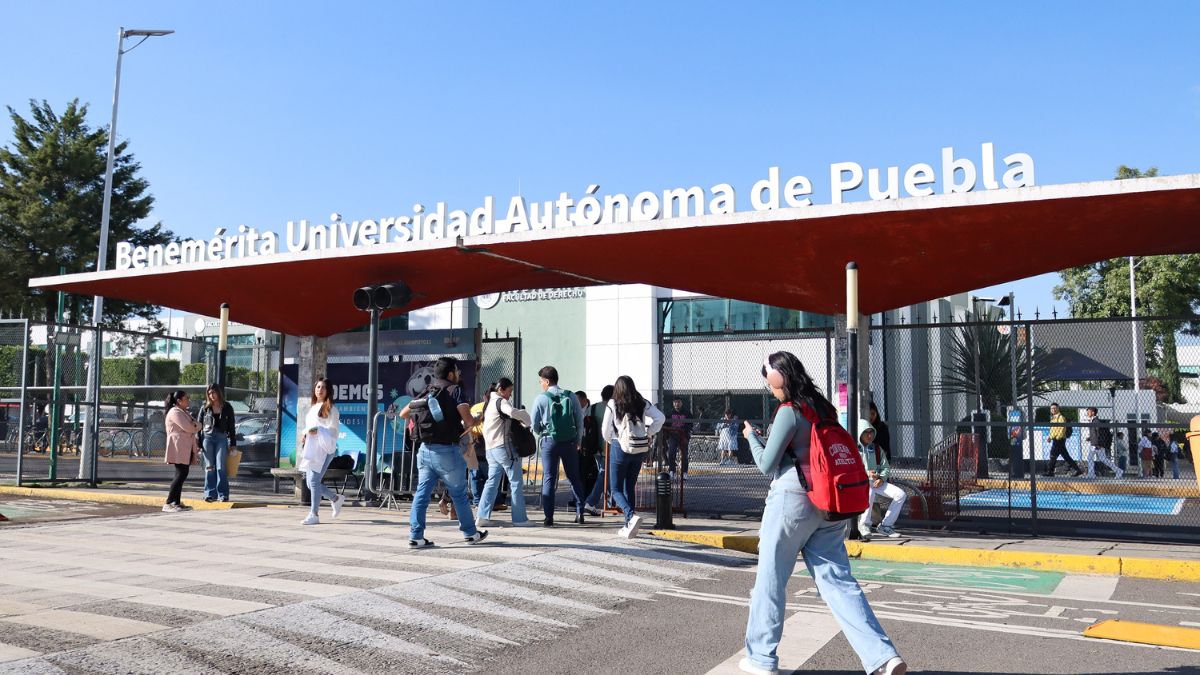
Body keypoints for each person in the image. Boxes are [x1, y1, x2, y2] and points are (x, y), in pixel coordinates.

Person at [740, 351, 904, 675]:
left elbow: (766, 464)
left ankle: (761, 659)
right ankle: (883, 657)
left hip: (792, 500)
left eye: (769, 382)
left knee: (771, 578)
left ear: (778, 377)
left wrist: (751, 438)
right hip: (829, 503)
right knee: (839, 582)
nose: (769, 388)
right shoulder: (823, 407)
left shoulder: (789, 411)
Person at [400, 356, 488, 548]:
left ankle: (416, 536)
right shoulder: (455, 390)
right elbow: (468, 421)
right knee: (459, 494)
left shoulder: (427, 390)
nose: (458, 374)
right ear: (450, 374)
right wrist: (477, 419)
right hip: (447, 451)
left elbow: (403, 413)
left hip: (425, 450)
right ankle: (470, 533)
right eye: (456, 371)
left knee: (421, 494)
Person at [601, 375, 666, 538]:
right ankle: (628, 524)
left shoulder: (613, 403)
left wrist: (610, 440)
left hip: (619, 445)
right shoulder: (641, 402)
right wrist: (649, 433)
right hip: (639, 447)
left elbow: (605, 429)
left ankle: (631, 516)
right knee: (629, 486)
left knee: (615, 489)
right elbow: (660, 418)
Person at [530, 365, 588, 527]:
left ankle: (549, 517)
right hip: (569, 442)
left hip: (549, 441)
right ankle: (580, 513)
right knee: (574, 477)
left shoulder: (541, 399)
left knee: (549, 478)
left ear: (547, 381)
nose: (541, 384)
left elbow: (534, 424)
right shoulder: (571, 396)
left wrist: (541, 432)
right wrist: (578, 440)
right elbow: (579, 421)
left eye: (541, 381)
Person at [475, 377, 535, 528]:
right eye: (509, 391)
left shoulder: (489, 403)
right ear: (501, 389)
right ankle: (520, 519)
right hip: (504, 448)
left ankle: (482, 516)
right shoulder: (500, 401)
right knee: (516, 482)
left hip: (490, 449)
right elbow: (512, 412)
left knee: (491, 482)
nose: (510, 394)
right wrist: (526, 417)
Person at [298, 377, 346, 525]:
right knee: (310, 483)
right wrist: (305, 434)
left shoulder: (332, 409)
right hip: (312, 448)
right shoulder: (313, 408)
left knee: (313, 481)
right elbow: (310, 427)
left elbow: (334, 431)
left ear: (328, 391)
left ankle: (314, 514)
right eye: (318, 387)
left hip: (325, 449)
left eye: (323, 387)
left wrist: (318, 431)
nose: (320, 390)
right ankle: (335, 498)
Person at [856, 419, 907, 540]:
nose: (869, 435)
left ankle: (885, 525)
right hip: (859, 483)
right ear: (859, 433)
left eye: (871, 432)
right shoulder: (854, 449)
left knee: (901, 494)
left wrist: (882, 479)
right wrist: (867, 473)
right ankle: (864, 525)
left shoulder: (877, 448)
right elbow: (851, 468)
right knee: (869, 491)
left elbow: (885, 467)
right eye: (866, 432)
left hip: (876, 482)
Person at [197, 383, 237, 502]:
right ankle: (209, 493)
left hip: (221, 437)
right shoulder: (205, 407)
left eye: (213, 392)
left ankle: (223, 494)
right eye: (209, 393)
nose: (211, 395)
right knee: (209, 467)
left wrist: (233, 443)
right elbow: (199, 426)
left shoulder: (227, 407)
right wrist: (198, 443)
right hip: (207, 437)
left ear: (218, 392)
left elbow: (231, 426)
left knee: (220, 466)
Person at [162, 390, 199, 512]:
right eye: (186, 398)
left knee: (182, 473)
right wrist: (195, 426)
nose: (188, 400)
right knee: (180, 474)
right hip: (178, 446)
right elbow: (189, 427)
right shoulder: (175, 412)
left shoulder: (183, 412)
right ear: (179, 401)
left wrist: (195, 426)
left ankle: (176, 502)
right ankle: (168, 502)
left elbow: (196, 425)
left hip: (184, 447)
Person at [583, 384, 615, 514]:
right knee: (604, 475)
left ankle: (611, 503)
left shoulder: (593, 408)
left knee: (605, 474)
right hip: (610, 447)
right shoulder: (613, 408)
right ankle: (591, 502)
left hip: (595, 448)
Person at [575, 391, 600, 507]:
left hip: (588, 447)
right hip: (577, 446)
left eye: (577, 400)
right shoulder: (575, 411)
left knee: (588, 473)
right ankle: (578, 498)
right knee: (578, 473)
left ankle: (586, 498)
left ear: (584, 400)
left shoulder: (591, 410)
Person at [1043, 403, 1082, 478]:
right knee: (1065, 456)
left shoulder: (1061, 417)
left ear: (1058, 408)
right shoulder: (1053, 418)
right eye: (1052, 408)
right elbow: (1053, 429)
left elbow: (1062, 429)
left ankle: (1050, 472)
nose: (1053, 410)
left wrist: (1057, 437)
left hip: (1059, 439)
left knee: (1053, 455)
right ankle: (1077, 469)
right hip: (1056, 439)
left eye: (1055, 408)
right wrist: (1050, 437)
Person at [1084, 407, 1123, 479]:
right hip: (1096, 444)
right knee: (1101, 459)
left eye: (1089, 411)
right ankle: (1118, 471)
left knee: (1092, 458)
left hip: (1097, 444)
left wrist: (1099, 444)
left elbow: (1100, 434)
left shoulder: (1096, 421)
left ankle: (1092, 474)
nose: (1087, 413)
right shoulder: (1094, 421)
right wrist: (1090, 438)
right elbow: (1096, 434)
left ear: (1093, 412)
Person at [664, 397, 693, 481]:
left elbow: (690, 425)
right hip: (673, 436)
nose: (677, 404)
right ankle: (672, 471)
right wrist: (668, 434)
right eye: (675, 402)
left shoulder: (687, 413)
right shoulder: (669, 413)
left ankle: (684, 473)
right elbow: (666, 425)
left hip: (683, 436)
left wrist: (686, 434)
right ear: (673, 403)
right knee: (671, 453)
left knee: (684, 454)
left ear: (681, 403)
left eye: (678, 402)